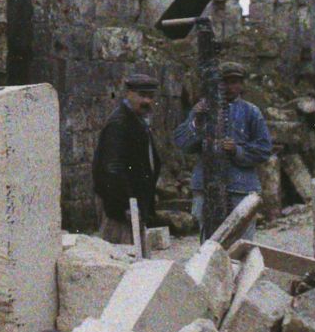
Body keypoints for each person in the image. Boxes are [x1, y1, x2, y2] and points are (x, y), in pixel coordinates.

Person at [174, 60, 273, 235]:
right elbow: (182, 143)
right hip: (206, 185)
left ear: (241, 85)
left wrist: (238, 150)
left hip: (240, 187)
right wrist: (196, 119)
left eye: (234, 82)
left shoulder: (251, 111)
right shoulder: (202, 110)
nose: (228, 87)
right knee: (209, 240)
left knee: (242, 240)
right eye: (223, 82)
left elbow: (264, 149)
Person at [93, 72, 162, 244]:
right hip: (120, 207)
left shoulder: (138, 120)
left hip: (134, 203)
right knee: (121, 254)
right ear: (128, 94)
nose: (146, 101)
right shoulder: (120, 123)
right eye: (142, 95)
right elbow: (112, 168)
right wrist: (125, 204)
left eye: (150, 96)